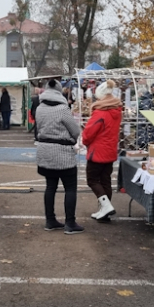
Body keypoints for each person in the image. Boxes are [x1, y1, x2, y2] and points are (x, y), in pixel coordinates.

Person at [35, 79, 83, 234]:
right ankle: (70, 223)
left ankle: (50, 220)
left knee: (50, 187)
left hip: (44, 152)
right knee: (70, 188)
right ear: (59, 91)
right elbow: (75, 131)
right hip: (63, 154)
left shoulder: (39, 108)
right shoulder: (63, 109)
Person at [82, 80, 123, 222]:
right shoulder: (116, 110)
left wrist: (84, 141)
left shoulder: (100, 112)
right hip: (110, 150)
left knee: (92, 180)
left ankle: (106, 207)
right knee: (105, 180)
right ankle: (105, 211)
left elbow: (88, 133)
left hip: (97, 151)